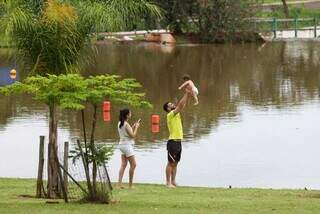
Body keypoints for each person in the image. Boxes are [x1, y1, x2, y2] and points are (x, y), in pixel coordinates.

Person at [163, 90, 190, 188]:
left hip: (179, 142)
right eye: (170, 104)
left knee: (176, 163)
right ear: (168, 109)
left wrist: (189, 93)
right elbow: (180, 104)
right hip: (172, 142)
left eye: (172, 103)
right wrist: (187, 93)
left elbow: (183, 104)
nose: (172, 104)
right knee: (170, 163)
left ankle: (173, 181)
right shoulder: (170, 115)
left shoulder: (176, 113)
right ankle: (168, 183)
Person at [117, 109, 141, 189]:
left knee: (123, 164)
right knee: (133, 165)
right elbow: (133, 135)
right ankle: (130, 185)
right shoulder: (126, 124)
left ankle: (119, 184)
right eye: (130, 113)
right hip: (127, 146)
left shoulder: (120, 123)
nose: (131, 114)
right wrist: (136, 127)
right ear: (127, 115)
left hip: (122, 145)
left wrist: (133, 126)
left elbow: (126, 131)